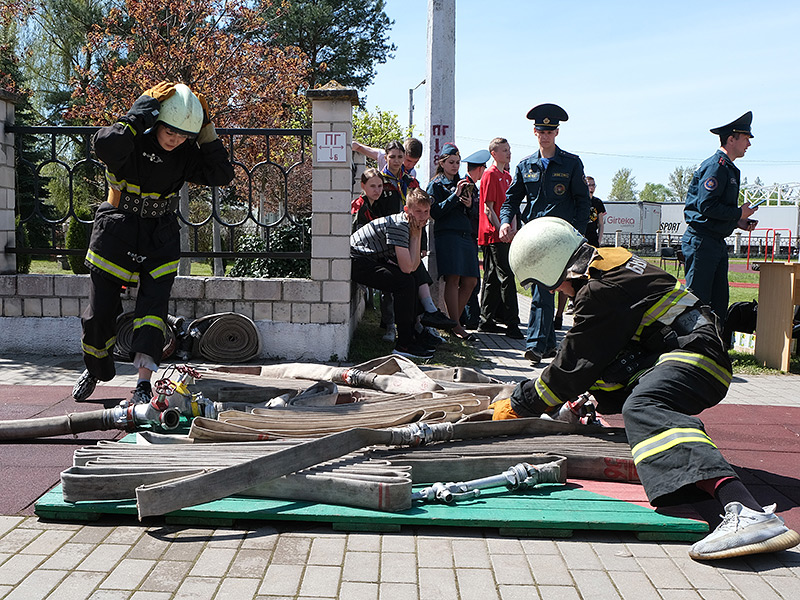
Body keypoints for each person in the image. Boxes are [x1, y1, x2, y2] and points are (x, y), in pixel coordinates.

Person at [491, 216, 800, 561]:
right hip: (680, 349)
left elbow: (574, 362)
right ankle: (697, 481)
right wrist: (587, 396)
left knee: (644, 407)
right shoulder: (612, 263)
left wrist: (523, 403)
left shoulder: (600, 290)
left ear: (552, 267)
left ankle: (745, 511)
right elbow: (603, 353)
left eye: (545, 283)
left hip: (694, 356)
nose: (550, 291)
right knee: (614, 390)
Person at [72, 82, 235, 404]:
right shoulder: (130, 142)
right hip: (116, 230)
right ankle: (96, 368)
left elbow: (222, 173)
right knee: (99, 315)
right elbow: (105, 145)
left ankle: (144, 381)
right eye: (170, 133)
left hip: (160, 234)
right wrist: (139, 111)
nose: (175, 141)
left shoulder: (186, 153)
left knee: (152, 311)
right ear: (157, 122)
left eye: (184, 136)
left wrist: (206, 131)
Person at [499, 103, 590, 365]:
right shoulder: (525, 165)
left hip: (563, 240)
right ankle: (538, 346)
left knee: (554, 288)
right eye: (541, 130)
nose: (545, 135)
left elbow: (582, 202)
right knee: (542, 288)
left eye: (550, 131)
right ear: (534, 132)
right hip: (536, 239)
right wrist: (506, 222)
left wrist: (579, 235)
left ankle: (545, 344)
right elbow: (510, 200)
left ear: (557, 133)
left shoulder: (571, 164)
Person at [682, 111, 758, 321]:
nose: (748, 145)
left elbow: (713, 209)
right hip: (702, 241)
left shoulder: (727, 168)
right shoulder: (717, 166)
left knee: (718, 302)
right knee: (698, 302)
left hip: (713, 241)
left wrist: (738, 221)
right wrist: (738, 213)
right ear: (731, 139)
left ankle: (714, 348)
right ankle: (692, 348)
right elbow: (706, 205)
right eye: (745, 139)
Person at [351, 188, 438, 359]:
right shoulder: (400, 225)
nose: (423, 216)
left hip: (369, 259)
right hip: (355, 260)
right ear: (407, 210)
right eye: (418, 211)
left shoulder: (413, 225)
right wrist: (416, 235)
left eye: (426, 211)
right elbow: (407, 267)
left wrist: (417, 233)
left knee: (410, 279)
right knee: (404, 282)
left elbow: (414, 266)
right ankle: (403, 345)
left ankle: (413, 335)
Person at [427, 143, 480, 341]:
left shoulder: (463, 182)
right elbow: (435, 212)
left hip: (465, 234)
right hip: (448, 235)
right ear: (442, 162)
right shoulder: (436, 184)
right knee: (454, 278)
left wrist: (467, 204)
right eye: (451, 162)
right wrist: (454, 196)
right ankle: (457, 326)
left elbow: (473, 212)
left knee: (471, 281)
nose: (455, 166)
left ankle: (452, 321)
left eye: (458, 162)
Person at [477, 138, 522, 338]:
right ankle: (512, 323)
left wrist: (512, 229)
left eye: (509, 149)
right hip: (494, 235)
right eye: (504, 150)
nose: (508, 153)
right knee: (506, 276)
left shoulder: (508, 177)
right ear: (494, 153)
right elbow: (489, 208)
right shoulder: (490, 174)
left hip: (505, 235)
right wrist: (501, 230)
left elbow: (510, 207)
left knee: (493, 277)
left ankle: (486, 320)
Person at [555, 174, 605, 329]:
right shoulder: (576, 200)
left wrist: (599, 240)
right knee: (568, 278)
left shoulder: (597, 203)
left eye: (593, 185)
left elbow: (601, 223)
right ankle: (559, 315)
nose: (591, 187)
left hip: (592, 244)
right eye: (588, 184)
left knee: (589, 279)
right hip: (575, 244)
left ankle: (583, 313)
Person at [460, 148, 491, 330]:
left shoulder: (473, 187)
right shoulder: (467, 186)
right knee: (471, 281)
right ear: (479, 169)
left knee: (472, 281)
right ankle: (470, 318)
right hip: (467, 237)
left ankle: (470, 318)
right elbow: (471, 213)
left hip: (472, 237)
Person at [352, 137, 423, 179]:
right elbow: (360, 148)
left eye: (415, 162)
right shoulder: (385, 156)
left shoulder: (412, 174)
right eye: (408, 160)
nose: (411, 165)